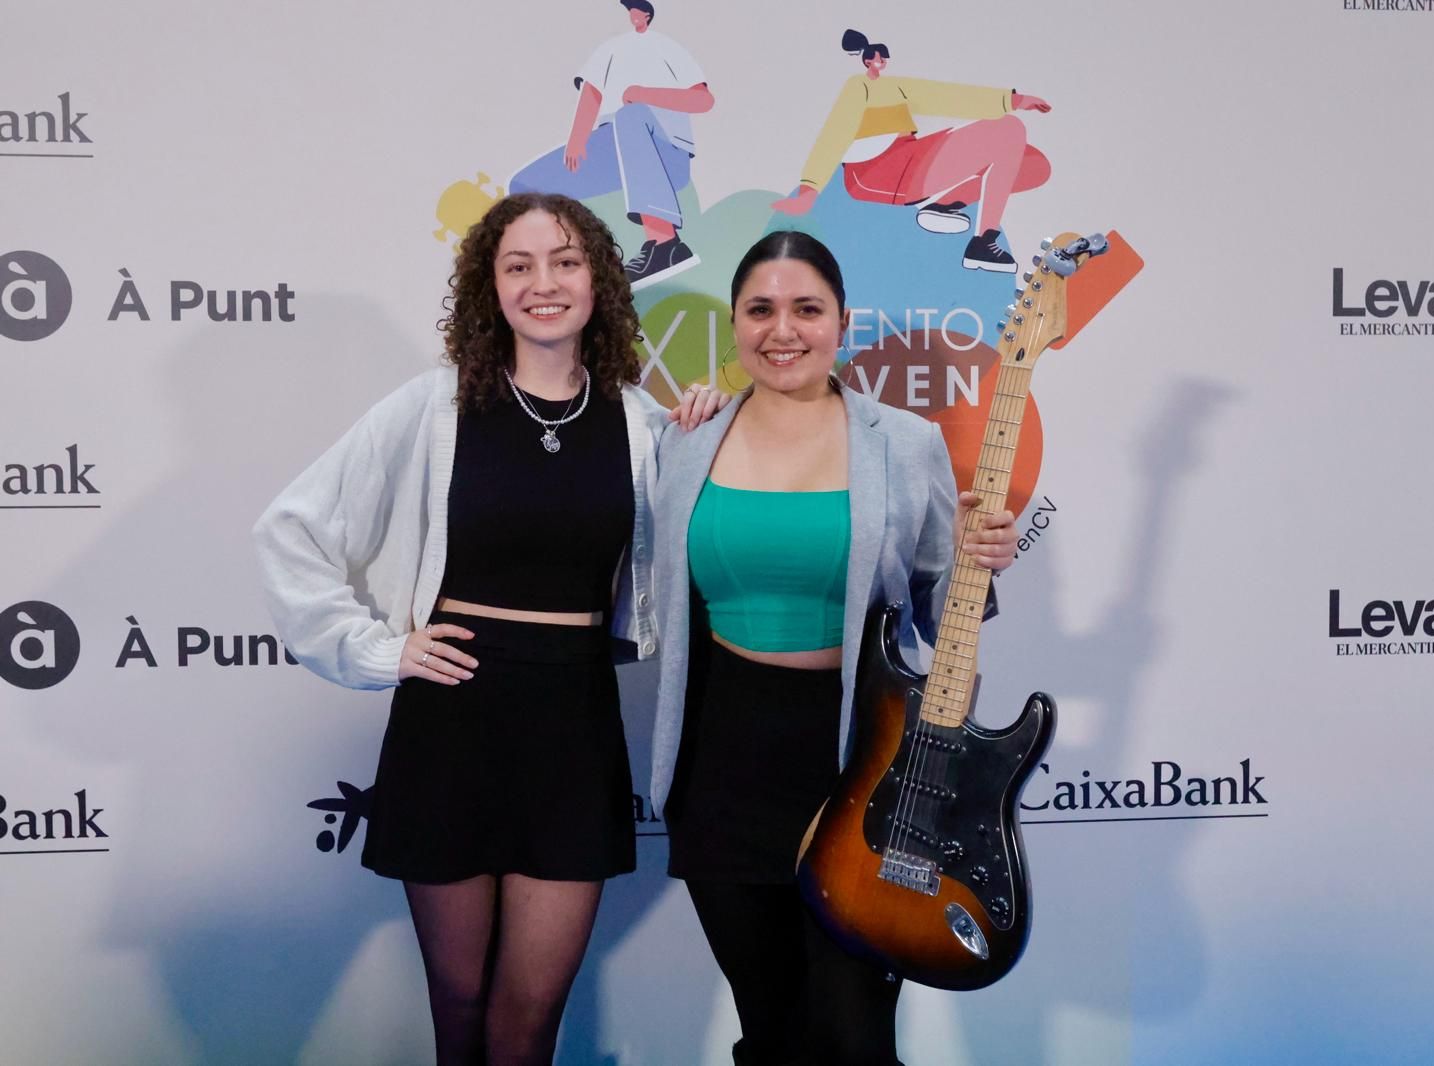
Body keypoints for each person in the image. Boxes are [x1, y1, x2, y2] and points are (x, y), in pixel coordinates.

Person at [252, 191, 724, 1066]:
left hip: (574, 725)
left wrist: (702, 440)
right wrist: (379, 650)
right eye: (519, 265)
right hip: (453, 722)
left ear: (599, 282)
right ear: (490, 287)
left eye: (565, 262)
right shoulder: (436, 406)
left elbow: (716, 545)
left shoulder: (639, 421)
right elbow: (292, 528)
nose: (543, 283)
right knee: (461, 1010)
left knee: (528, 1019)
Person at [647, 231, 1019, 1065]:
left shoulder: (906, 442)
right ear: (736, 324)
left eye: (807, 309)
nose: (784, 329)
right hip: (724, 767)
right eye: (762, 309)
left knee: (851, 1039)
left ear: (841, 324)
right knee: (771, 1030)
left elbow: (939, 613)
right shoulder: (684, 439)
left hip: (860, 769)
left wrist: (977, 562)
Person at [772, 29, 1053, 274]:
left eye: (885, 58)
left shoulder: (895, 87)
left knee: (1032, 166)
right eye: (877, 58)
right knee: (1008, 130)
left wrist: (1014, 99)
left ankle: (944, 205)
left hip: (909, 158)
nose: (881, 63)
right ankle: (982, 243)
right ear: (867, 60)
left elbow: (945, 96)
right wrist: (810, 188)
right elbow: (835, 132)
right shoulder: (858, 86)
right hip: (876, 172)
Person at [509, 0, 714, 290]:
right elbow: (591, 93)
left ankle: (665, 244)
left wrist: (645, 94)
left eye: (638, 9)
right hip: (611, 146)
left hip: (665, 147)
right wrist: (578, 140)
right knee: (523, 184)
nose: (633, 15)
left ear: (647, 15)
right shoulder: (609, 49)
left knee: (630, 115)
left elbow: (702, 100)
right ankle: (558, 266)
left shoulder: (665, 47)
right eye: (629, 9)